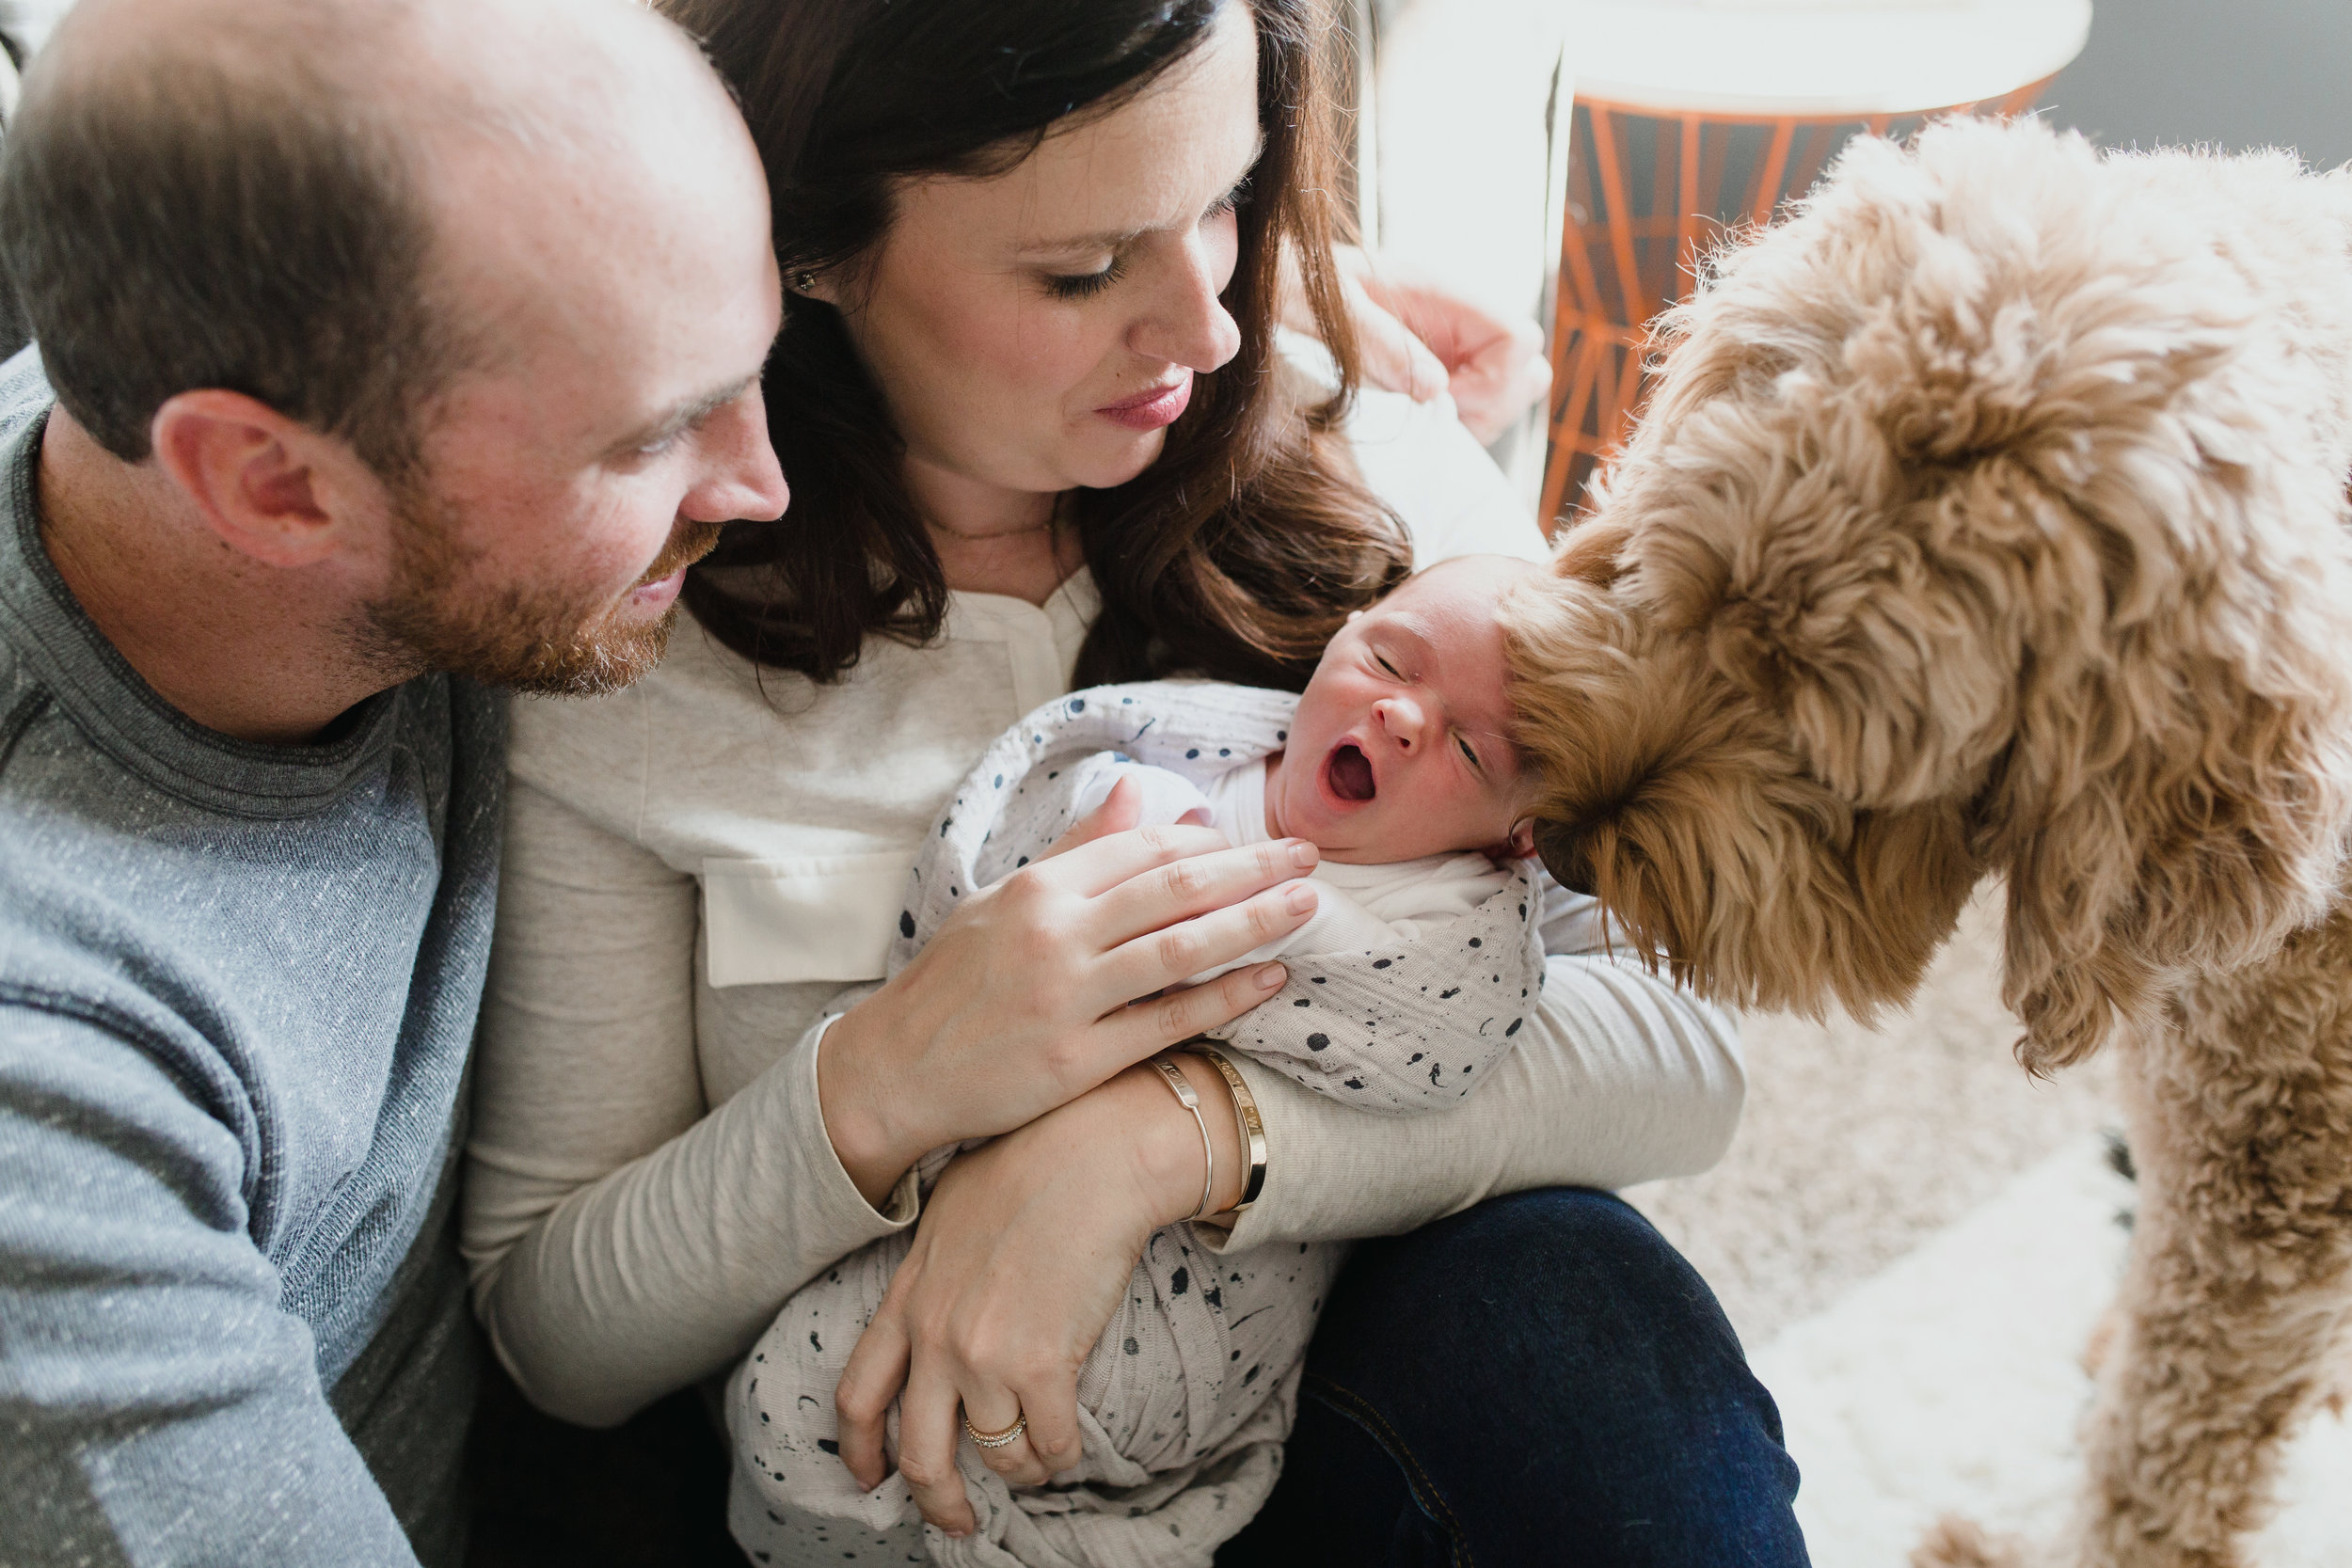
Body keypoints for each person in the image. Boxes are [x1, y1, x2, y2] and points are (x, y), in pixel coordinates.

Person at [463, 1, 1810, 1563]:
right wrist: (888, 1080)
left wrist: (1165, 1138)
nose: (1212, 330)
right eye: (1082, 268)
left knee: (1591, 1318)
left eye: (1223, 204)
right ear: (805, 243)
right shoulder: (636, 652)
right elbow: (554, 1325)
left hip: (1343, 1400)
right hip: (895, 1486)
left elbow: (1680, 1045)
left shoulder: (1379, 478)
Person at [0, 0, 787, 1560]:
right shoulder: (50, 1100)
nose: (760, 482)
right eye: (650, 439)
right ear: (275, 483)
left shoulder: (328, 347)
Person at [733, 555, 1552, 1564]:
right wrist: (1097, 822)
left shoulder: (1444, 914)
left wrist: (1174, 1093)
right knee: (811, 1399)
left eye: (1468, 751)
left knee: (839, 1395)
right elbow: (993, 865)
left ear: (1516, 842)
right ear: (1344, 631)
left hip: (1189, 1286)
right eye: (1388, 659)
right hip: (964, 1128)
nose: (1401, 717)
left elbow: (1442, 1045)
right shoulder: (1172, 749)